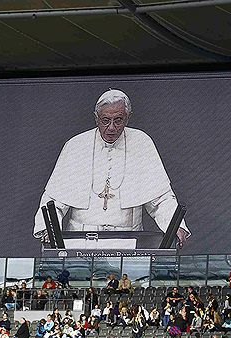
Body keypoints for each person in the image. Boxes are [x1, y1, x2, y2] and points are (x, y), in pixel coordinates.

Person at [33, 89, 190, 246]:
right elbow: (55, 199)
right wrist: (48, 229)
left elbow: (160, 198)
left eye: (118, 120)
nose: (111, 128)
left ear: (128, 118)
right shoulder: (76, 145)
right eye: (105, 120)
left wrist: (176, 226)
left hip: (128, 241)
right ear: (96, 118)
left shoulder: (142, 143)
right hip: (80, 240)